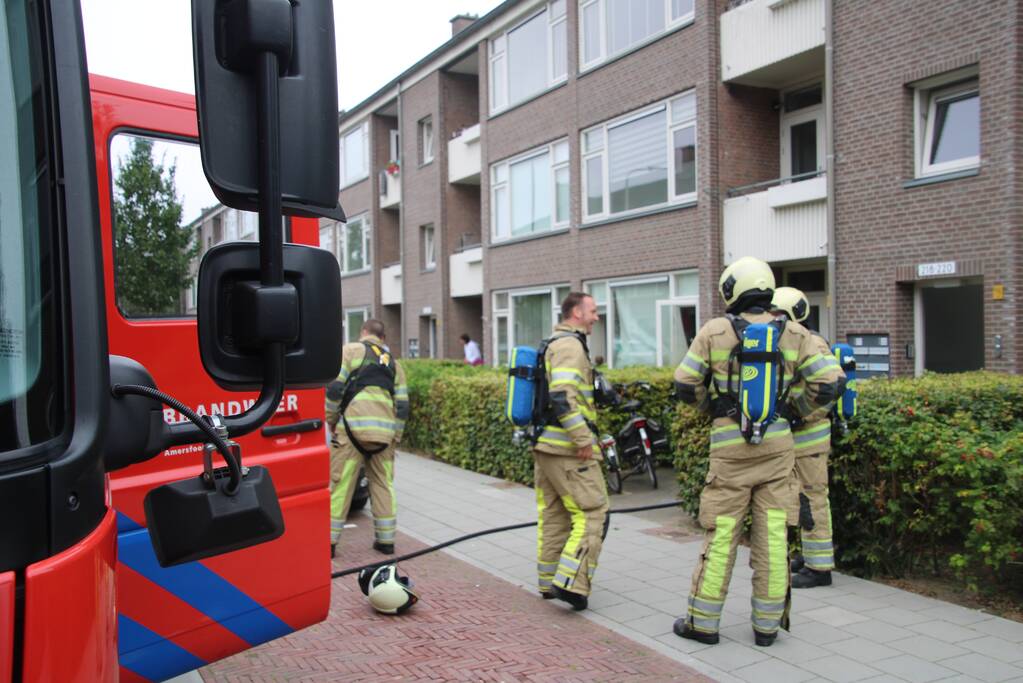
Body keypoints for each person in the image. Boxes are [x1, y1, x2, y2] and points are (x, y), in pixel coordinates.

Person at [672, 257, 844, 647]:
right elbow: (830, 383)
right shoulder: (795, 334)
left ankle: (702, 623)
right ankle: (767, 628)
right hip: (779, 450)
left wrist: (713, 409)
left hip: (729, 454)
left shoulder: (715, 331)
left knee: (722, 535)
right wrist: (793, 411)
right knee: (773, 537)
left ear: (732, 289)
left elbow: (685, 383)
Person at [533, 292, 609, 611]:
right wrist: (583, 441)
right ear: (577, 312)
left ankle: (549, 581)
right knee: (593, 511)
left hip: (547, 445)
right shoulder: (570, 345)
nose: (596, 317)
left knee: (555, 515)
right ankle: (572, 584)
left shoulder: (555, 341)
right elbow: (563, 396)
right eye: (593, 311)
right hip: (567, 449)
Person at [771, 287, 838, 588]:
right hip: (795, 439)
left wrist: (799, 412)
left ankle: (819, 568)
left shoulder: (812, 343)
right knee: (800, 500)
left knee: (813, 499)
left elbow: (832, 385)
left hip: (809, 438)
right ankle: (807, 554)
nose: (772, 319)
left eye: (777, 315)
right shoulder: (791, 341)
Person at [325, 319, 409, 559]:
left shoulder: (350, 351)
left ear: (363, 332)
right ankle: (386, 542)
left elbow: (334, 388)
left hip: (352, 429)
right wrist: (397, 436)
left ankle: (329, 543)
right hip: (385, 435)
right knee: (383, 484)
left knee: (341, 484)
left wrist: (330, 418)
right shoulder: (394, 364)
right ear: (383, 338)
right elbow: (402, 405)